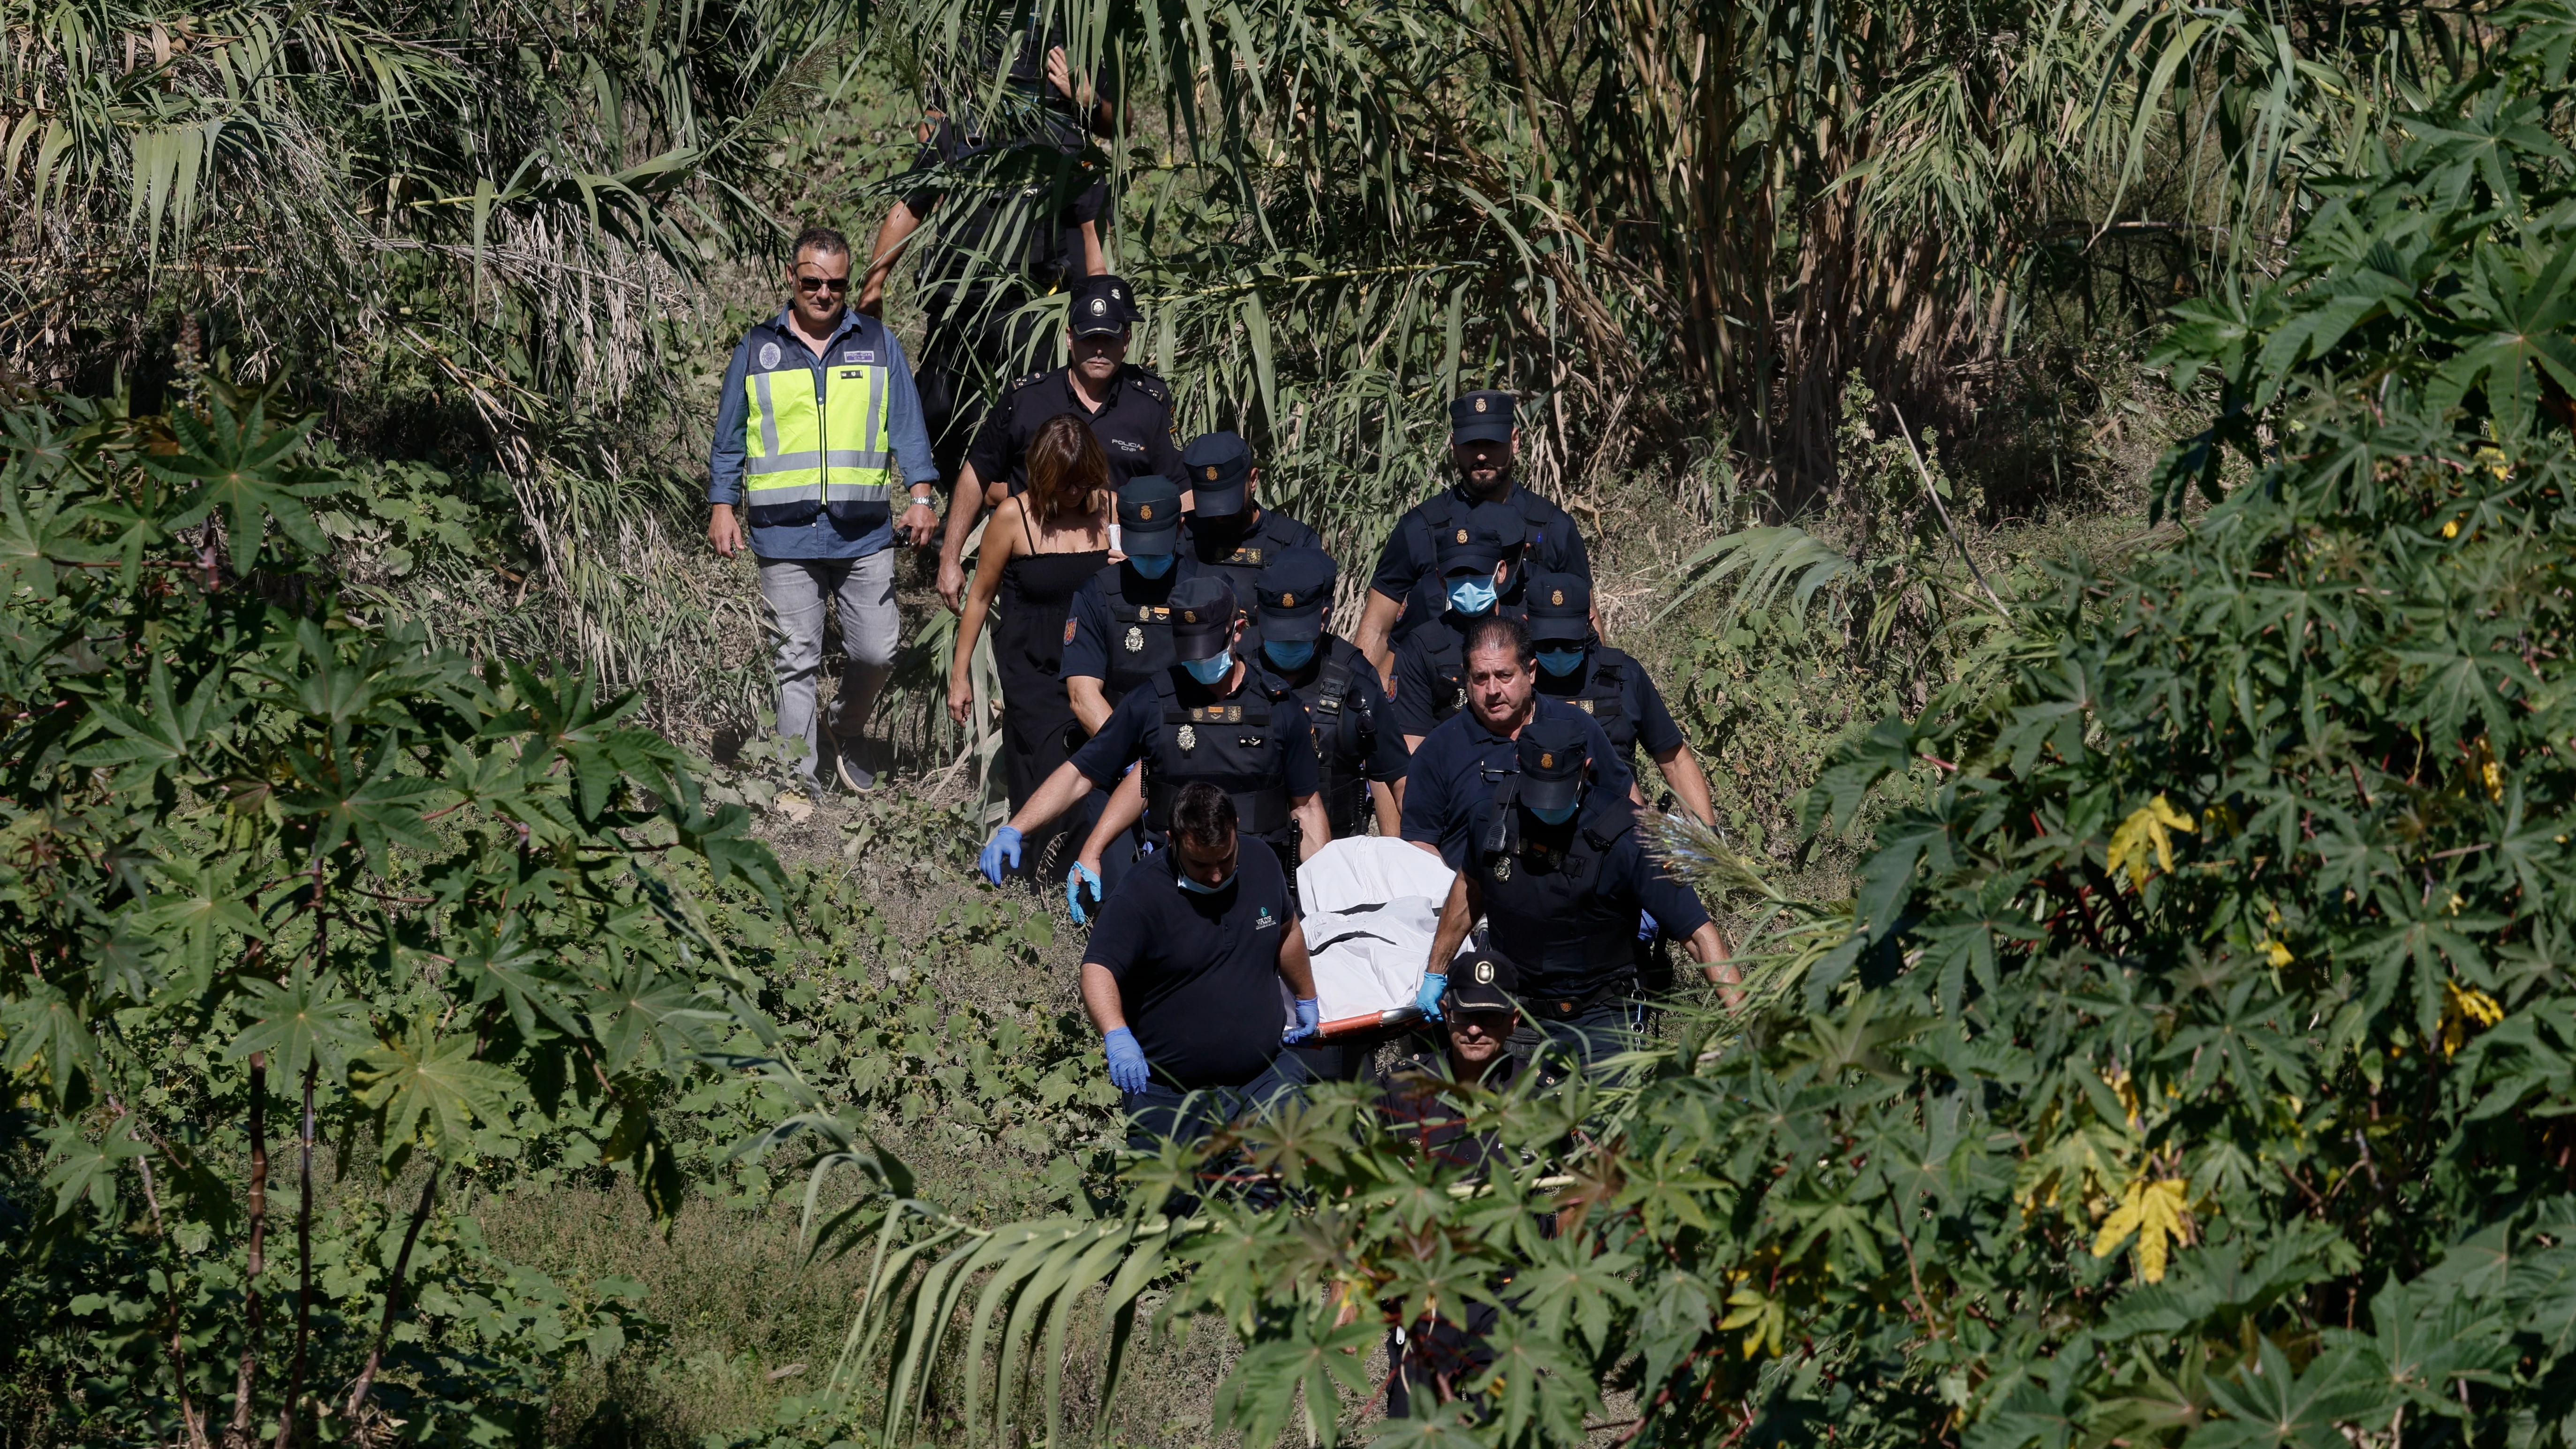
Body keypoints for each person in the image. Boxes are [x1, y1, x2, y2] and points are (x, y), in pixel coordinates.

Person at [707, 225, 941, 795]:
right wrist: (721, 505)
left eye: (835, 285)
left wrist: (920, 495)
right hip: (782, 535)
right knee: (794, 661)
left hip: (861, 534)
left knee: (877, 651)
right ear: (791, 278)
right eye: (811, 282)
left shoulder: (878, 343)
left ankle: (845, 726)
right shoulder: (756, 349)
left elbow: (907, 429)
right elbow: (729, 436)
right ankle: (795, 783)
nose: (822, 294)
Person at [856, 28, 1115, 479]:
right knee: (936, 408)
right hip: (961, 294)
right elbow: (912, 200)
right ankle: (962, 498)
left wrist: (1095, 316)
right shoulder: (960, 132)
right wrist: (874, 282)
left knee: (1034, 420)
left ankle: (1013, 515)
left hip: (1034, 299)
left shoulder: (1064, 139)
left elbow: (1094, 233)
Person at [1419, 716, 1738, 1077]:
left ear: (1586, 771)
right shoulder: (1492, 817)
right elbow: (1468, 889)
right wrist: (1436, 971)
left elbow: (1698, 934)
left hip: (1601, 1017)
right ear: (1519, 766)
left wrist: (1744, 1024)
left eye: (1558, 791)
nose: (1548, 805)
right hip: (1517, 1016)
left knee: (1608, 1132)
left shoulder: (1630, 835)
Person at [981, 576, 1330, 896]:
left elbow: (1308, 808)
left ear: (1237, 631)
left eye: (1210, 650)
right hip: (1173, 884)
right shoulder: (1152, 702)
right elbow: (1081, 773)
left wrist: (1325, 897)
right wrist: (1015, 828)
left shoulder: (1279, 708)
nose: (1201, 662)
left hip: (1255, 884)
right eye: (1191, 652)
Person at [1079, 781, 1325, 1148]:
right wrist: (1116, 1034)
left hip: (1263, 1081)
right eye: (1201, 864)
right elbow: (1097, 968)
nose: (1215, 875)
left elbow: (1286, 929)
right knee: (1173, 1205)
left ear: (1235, 828)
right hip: (1172, 1097)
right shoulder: (1140, 893)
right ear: (1172, 839)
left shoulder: (1261, 862)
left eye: (1225, 860)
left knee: (1280, 1196)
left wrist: (1306, 996)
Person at [935, 274, 1186, 611]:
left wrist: (1154, 552)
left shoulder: (1149, 403)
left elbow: (1180, 492)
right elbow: (976, 473)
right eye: (1089, 337)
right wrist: (950, 557)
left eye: (1109, 339)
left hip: (1120, 587)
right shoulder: (1027, 399)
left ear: (1126, 340)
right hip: (1034, 585)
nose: (1099, 349)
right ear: (1070, 337)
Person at [1373, 944, 1537, 1418]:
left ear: (1512, 1019)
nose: (1472, 1028)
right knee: (1415, 1423)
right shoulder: (1402, 1088)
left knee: (1510, 1425)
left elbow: (1566, 1197)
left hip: (1511, 1286)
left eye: (1487, 1018)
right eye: (1464, 1014)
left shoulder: (1539, 1093)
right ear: (1445, 1012)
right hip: (1429, 1285)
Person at [950, 414, 1113, 879]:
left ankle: (1085, 867)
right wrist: (960, 676)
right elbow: (979, 596)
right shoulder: (1013, 517)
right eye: (1064, 483)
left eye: (1083, 480)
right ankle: (1045, 871)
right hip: (1034, 665)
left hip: (1097, 662)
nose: (1075, 492)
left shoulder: (1109, 511)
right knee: (1056, 757)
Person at [1354, 390, 1592, 682]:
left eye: (1492, 443)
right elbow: (1378, 629)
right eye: (1471, 445)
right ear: (1454, 446)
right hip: (1435, 699)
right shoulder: (1420, 528)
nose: (1481, 455)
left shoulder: (1554, 527)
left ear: (1515, 441)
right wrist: (1359, 704)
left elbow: (1588, 626)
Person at [1399, 615, 1633, 872]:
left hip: (1568, 893)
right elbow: (1419, 843)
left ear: (1531, 672)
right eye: (1480, 678)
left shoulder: (1575, 726)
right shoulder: (1438, 749)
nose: (1492, 690)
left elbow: (1625, 805)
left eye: (1504, 675)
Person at [1061, 473, 1195, 910]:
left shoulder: (1204, 589)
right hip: (1117, 763)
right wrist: (1134, 756)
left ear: (1179, 530)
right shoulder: (1098, 593)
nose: (1149, 558)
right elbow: (1083, 694)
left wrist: (1166, 758)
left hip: (1190, 762)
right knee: (1119, 900)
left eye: (1158, 546)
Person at [1523, 571, 1715, 825]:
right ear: (1527, 625)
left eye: (1569, 642)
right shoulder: (1514, 681)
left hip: (1616, 829)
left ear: (1589, 622)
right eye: (1547, 643)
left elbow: (1676, 762)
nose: (1558, 652)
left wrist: (1708, 839)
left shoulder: (1624, 675)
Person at [1252, 547, 1403, 839]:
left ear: (1322, 620)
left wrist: (1393, 856)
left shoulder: (1354, 678)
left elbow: (1389, 773)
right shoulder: (1240, 674)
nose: (1287, 642)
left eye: (1297, 634)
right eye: (1278, 632)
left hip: (1335, 850)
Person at [1392, 500, 1527, 749]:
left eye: (1477, 574)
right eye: (1456, 575)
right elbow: (1412, 747)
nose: (1467, 584)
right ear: (1441, 580)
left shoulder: (1527, 633)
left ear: (1500, 572)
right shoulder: (1419, 649)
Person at [1174, 432, 1322, 607]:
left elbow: (1310, 620)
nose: (1220, 514)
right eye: (1209, 503)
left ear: (1253, 480)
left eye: (1229, 501)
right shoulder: (1182, 534)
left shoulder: (1296, 542)